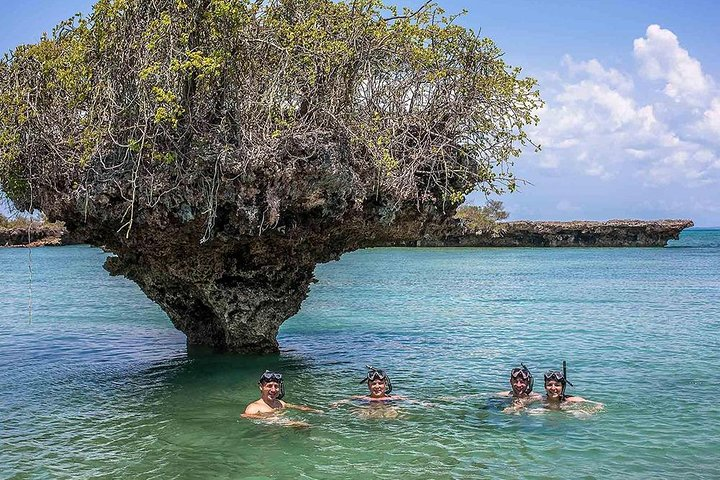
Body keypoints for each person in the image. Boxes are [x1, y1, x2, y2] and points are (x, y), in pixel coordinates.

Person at [242, 370, 321, 420]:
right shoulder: (254, 407)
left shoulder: (280, 403)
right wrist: (270, 418)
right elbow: (245, 416)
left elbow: (296, 407)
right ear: (261, 387)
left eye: (276, 386)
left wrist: (314, 410)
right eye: (269, 386)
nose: (273, 390)